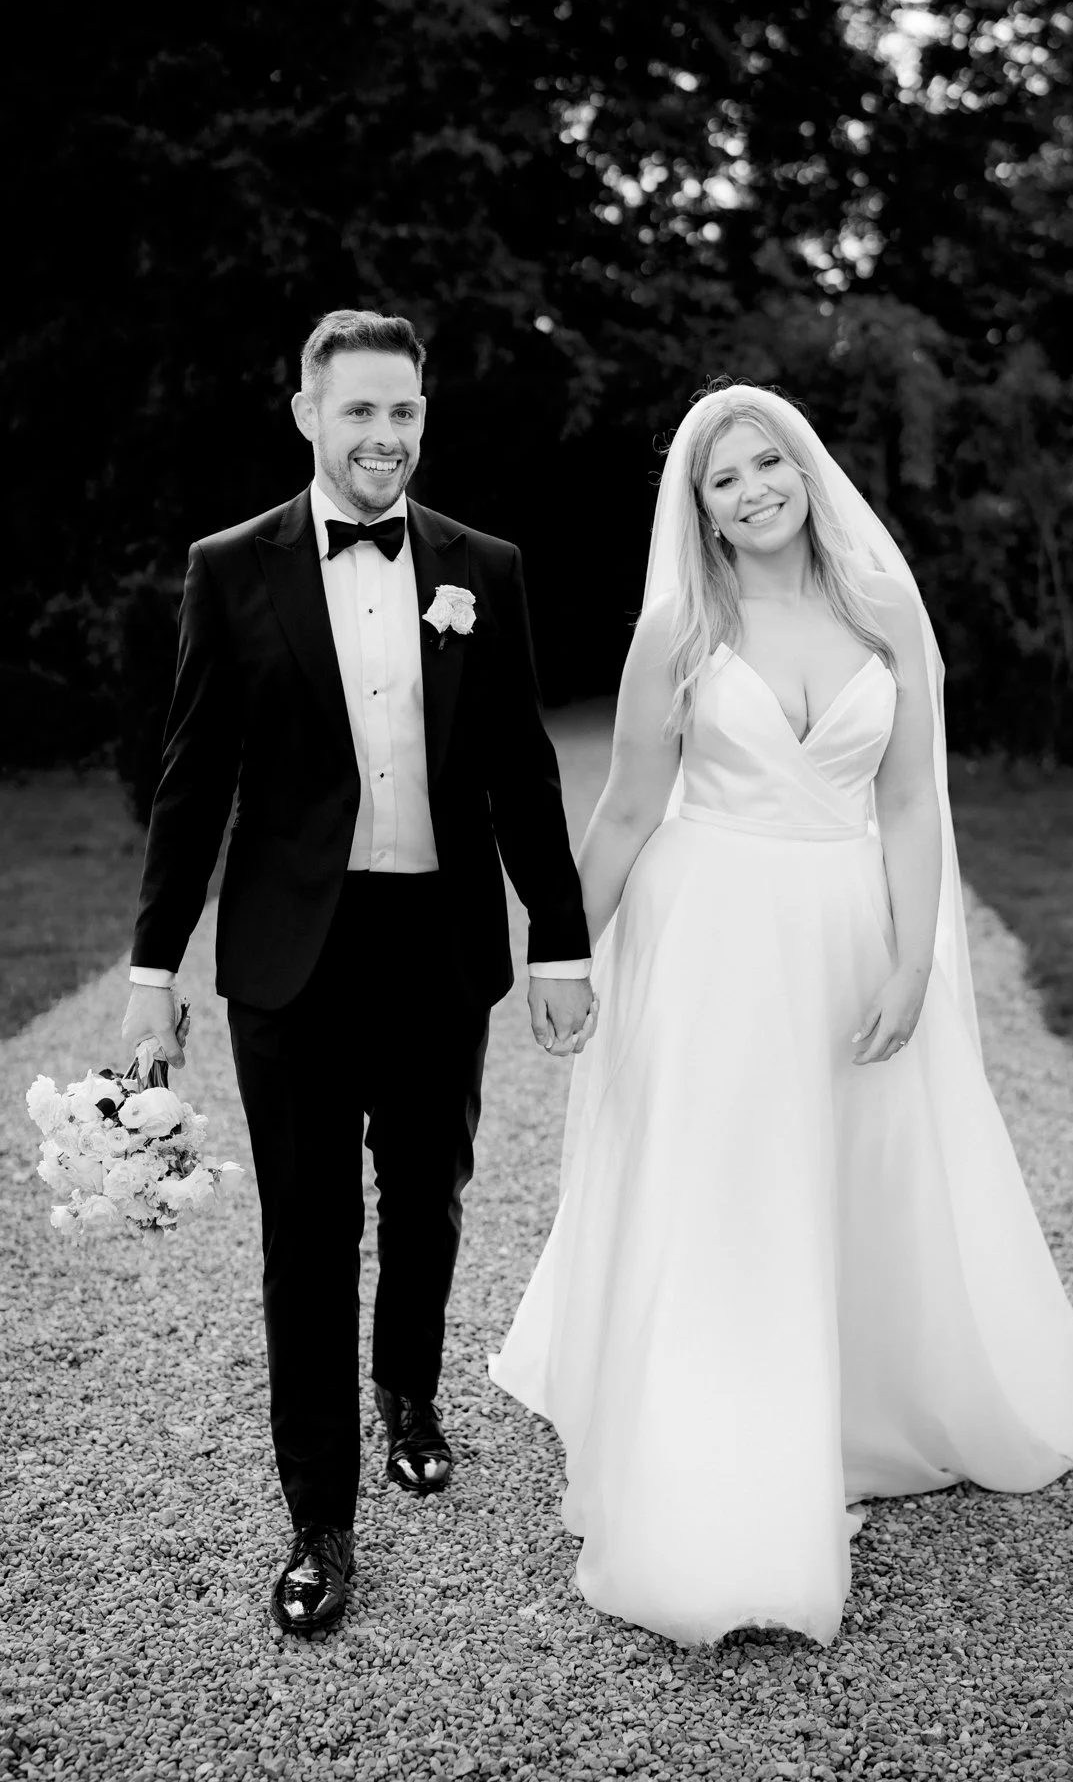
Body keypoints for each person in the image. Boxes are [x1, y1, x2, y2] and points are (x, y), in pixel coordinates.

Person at [489, 380, 1073, 1647]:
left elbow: (909, 804)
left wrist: (913, 961)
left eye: (769, 464)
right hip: (712, 936)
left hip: (848, 931)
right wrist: (561, 952)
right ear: (702, 509)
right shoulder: (679, 630)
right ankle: (720, 1421)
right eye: (724, 478)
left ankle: (855, 1397)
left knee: (853, 1161)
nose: (753, 491)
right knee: (727, 1178)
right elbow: (627, 808)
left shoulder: (882, 607)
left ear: (805, 470)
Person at [122, 309, 597, 1636]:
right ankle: (319, 1517)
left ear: (423, 417)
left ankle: (410, 1393)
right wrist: (153, 968)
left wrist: (560, 939)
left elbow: (523, 773)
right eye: (359, 412)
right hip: (291, 957)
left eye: (403, 412)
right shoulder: (231, 568)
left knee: (429, 1200)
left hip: (439, 943)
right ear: (307, 416)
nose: (384, 436)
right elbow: (191, 782)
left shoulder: (483, 567)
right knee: (308, 1233)